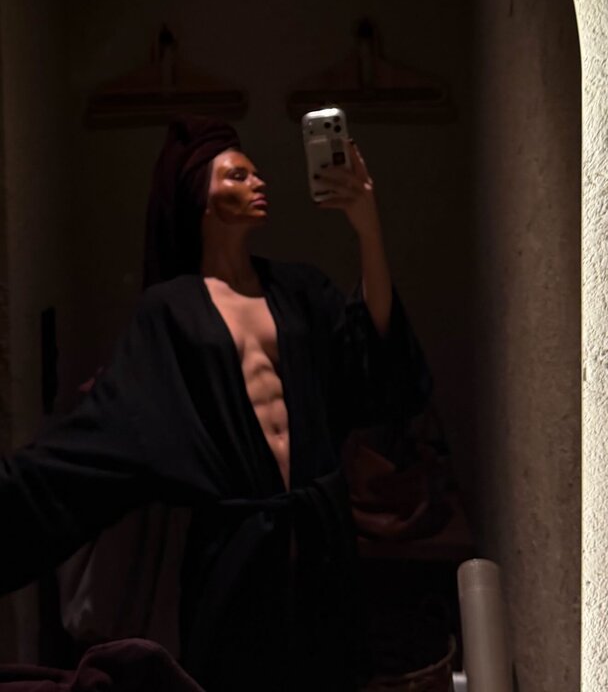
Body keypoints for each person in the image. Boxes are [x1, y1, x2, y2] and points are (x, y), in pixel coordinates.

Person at [0, 117, 432, 692]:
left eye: (256, 173)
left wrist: (367, 226)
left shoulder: (299, 289)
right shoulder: (171, 311)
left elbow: (372, 354)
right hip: (236, 551)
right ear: (199, 198)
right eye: (238, 175)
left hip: (321, 537)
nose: (259, 182)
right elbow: (108, 428)